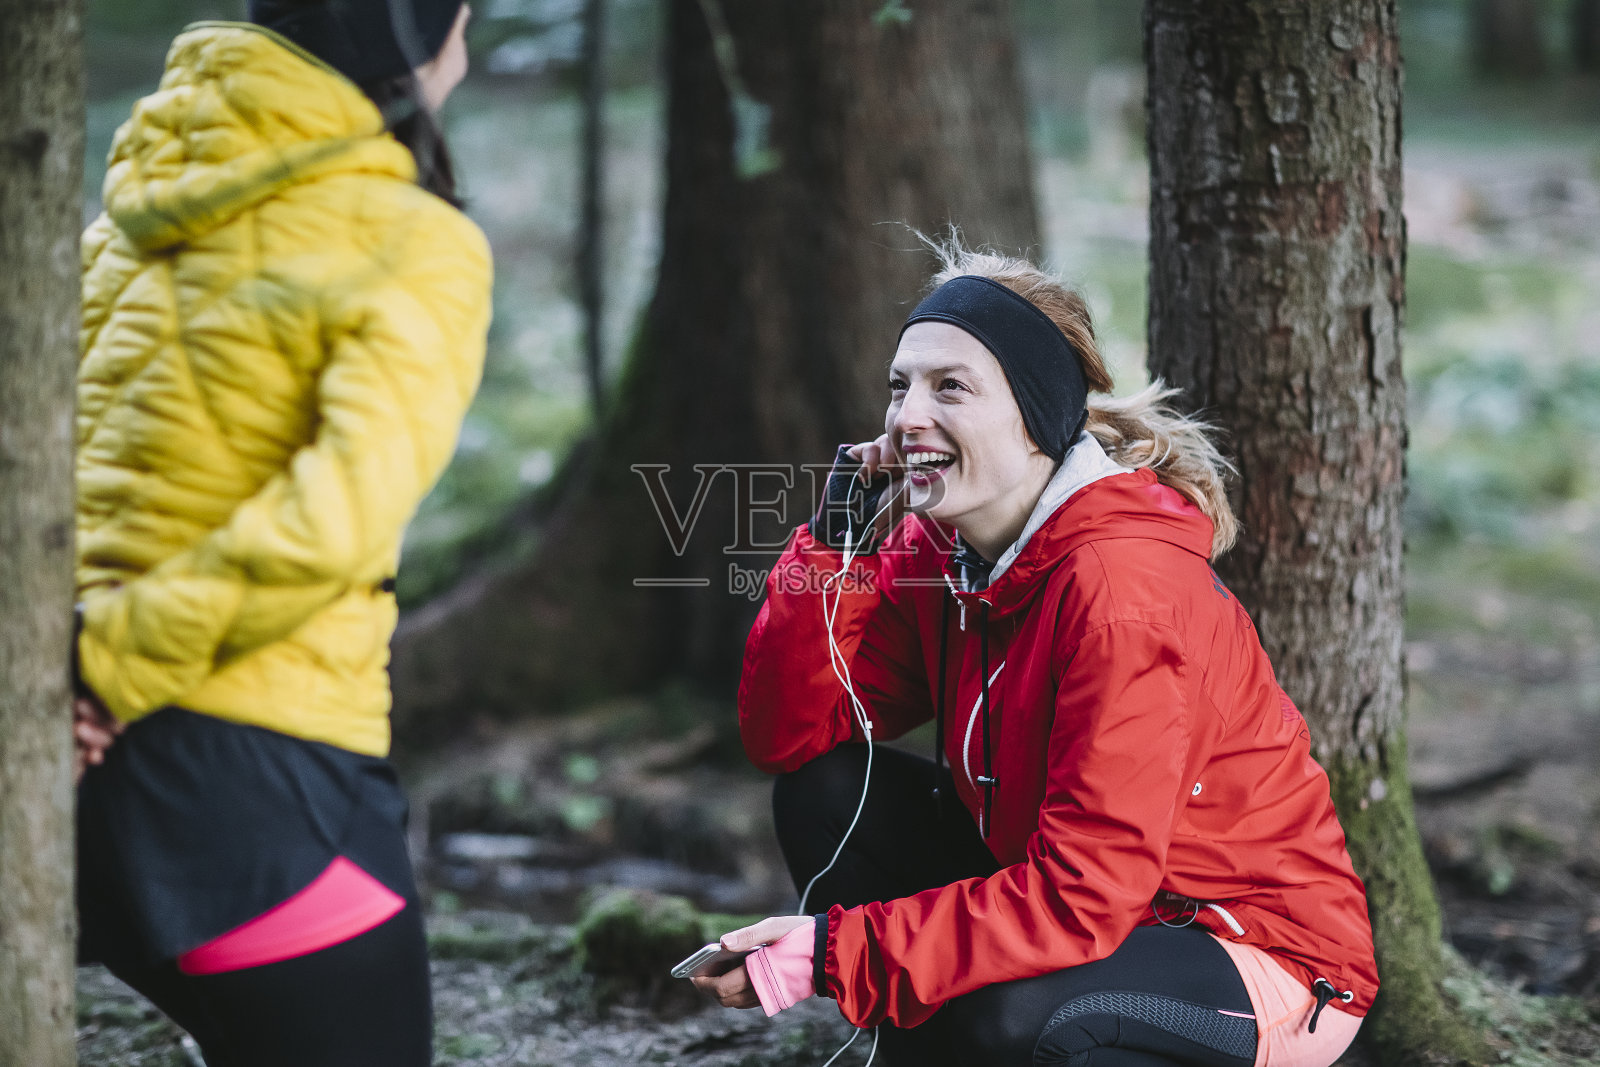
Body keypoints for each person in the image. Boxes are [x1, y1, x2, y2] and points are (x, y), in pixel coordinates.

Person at [695, 243, 1378, 1067]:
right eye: (900, 385)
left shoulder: (1123, 594)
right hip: (1081, 900)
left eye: (950, 386)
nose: (907, 415)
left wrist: (835, 951)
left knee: (1011, 1017)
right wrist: (835, 541)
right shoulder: (941, 549)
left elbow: (1084, 893)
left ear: (1036, 416)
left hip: (1252, 950)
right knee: (825, 791)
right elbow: (792, 734)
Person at [72, 3, 489, 1064]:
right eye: (459, 22)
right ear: (410, 40)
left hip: (72, 770)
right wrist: (109, 664)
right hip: (253, 787)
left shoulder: (127, 217)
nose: (469, 48)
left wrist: (61, 670)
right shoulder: (416, 238)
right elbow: (333, 524)